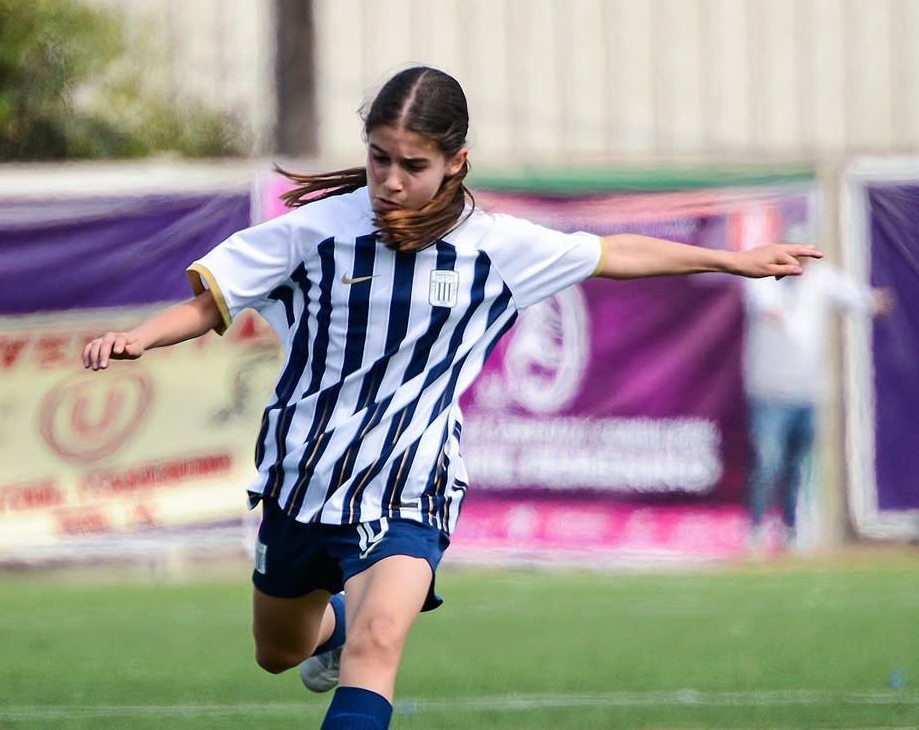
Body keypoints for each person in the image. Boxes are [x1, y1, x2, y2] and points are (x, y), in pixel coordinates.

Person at [82, 66, 820, 730]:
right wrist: (141, 337)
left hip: (412, 480)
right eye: (379, 159)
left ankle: (357, 628)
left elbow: (616, 251)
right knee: (279, 652)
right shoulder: (315, 232)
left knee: (381, 643)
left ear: (456, 163)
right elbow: (216, 299)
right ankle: (333, 626)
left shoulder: (494, 247)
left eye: (413, 165)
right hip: (303, 476)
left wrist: (733, 258)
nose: (391, 180)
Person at [743, 252, 891, 552]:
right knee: (768, 464)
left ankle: (791, 530)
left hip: (809, 392)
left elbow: (857, 297)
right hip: (770, 392)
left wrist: (873, 301)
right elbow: (769, 308)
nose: (799, 264)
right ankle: (756, 530)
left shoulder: (822, 278)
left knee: (799, 467)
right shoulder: (763, 278)